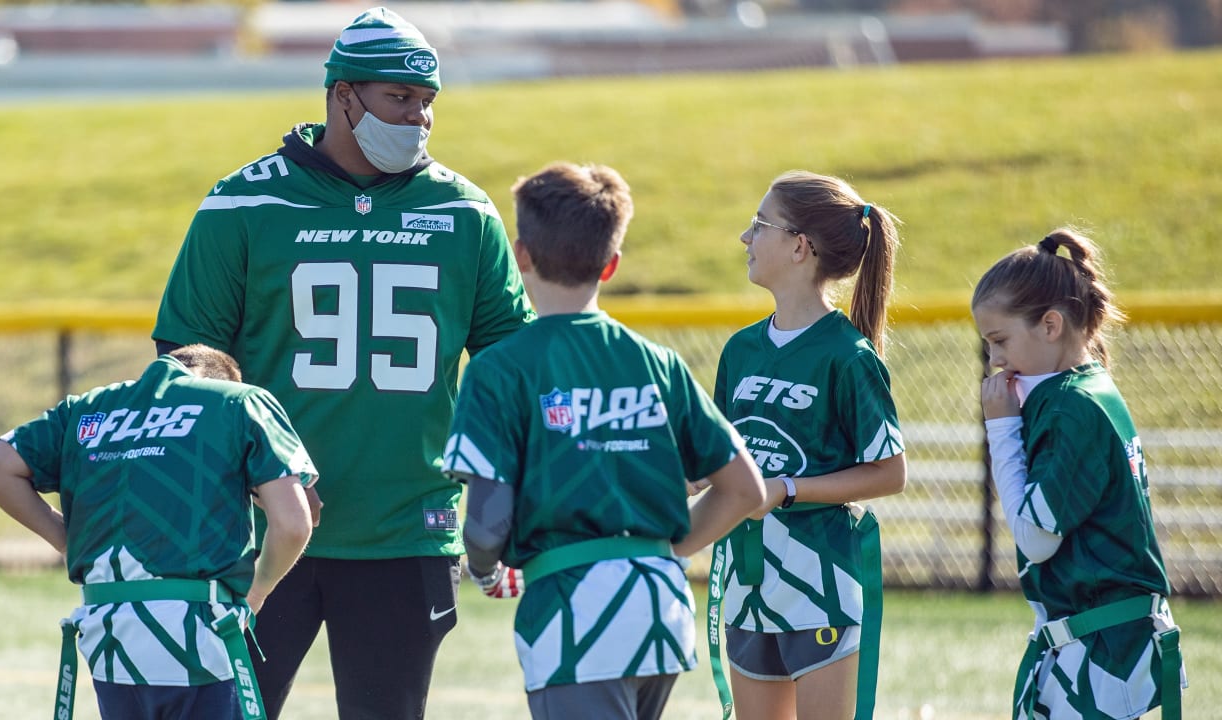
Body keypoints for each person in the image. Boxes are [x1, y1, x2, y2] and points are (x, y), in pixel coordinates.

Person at [151, 7, 535, 718]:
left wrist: (504, 500)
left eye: (427, 103)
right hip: (258, 530)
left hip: (406, 527)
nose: (417, 118)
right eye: (400, 98)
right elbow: (188, 366)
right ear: (342, 94)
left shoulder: (463, 211)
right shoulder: (244, 201)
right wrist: (247, 479)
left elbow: (510, 369)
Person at [441, 161, 766, 720]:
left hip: (575, 613)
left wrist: (486, 568)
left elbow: (489, 519)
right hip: (661, 610)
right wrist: (667, 550)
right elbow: (747, 490)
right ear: (611, 264)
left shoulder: (500, 368)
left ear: (521, 256)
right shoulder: (656, 361)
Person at [0, 344, 317, 720]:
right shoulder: (239, 400)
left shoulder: (85, 408)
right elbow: (295, 523)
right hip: (202, 634)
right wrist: (258, 590)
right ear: (222, 380)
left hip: (110, 637)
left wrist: (67, 541)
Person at [710, 170, 907, 720]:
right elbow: (719, 465)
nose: (745, 238)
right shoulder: (741, 350)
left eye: (759, 225)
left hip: (819, 583)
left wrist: (787, 489)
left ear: (800, 246)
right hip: (746, 585)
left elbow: (890, 473)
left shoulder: (848, 355)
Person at [972, 229, 1186, 720]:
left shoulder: (1075, 406)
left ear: (1050, 325)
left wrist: (1002, 429)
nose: (995, 360)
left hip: (1104, 648)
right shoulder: (1082, 390)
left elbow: (1036, 537)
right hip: (1097, 639)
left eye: (1000, 340)